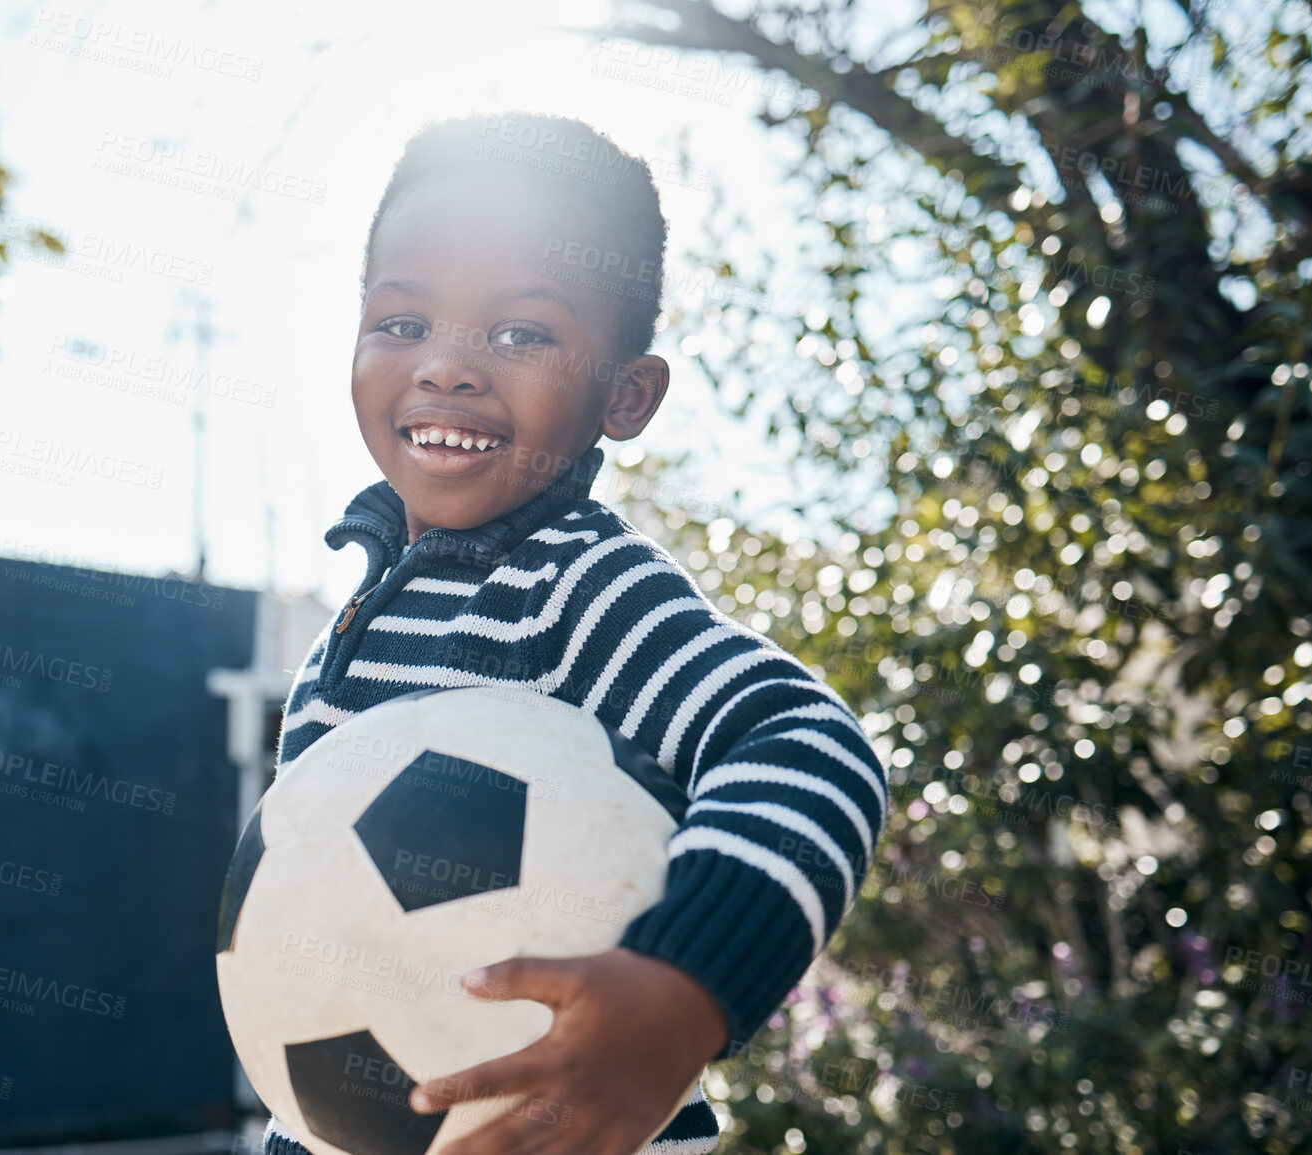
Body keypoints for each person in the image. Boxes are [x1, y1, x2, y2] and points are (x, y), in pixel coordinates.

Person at [262, 112, 890, 1155]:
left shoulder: (576, 590)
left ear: (626, 395)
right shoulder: (345, 643)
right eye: (404, 322)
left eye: (521, 334)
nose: (449, 368)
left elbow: (807, 748)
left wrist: (678, 994)